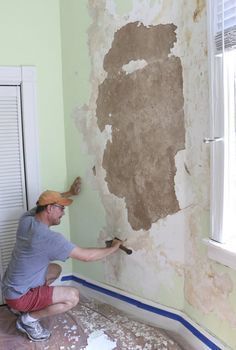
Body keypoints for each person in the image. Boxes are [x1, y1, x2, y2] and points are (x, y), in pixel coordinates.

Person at [1, 177, 123, 342]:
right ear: (50, 209)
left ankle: (24, 306)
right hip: (19, 296)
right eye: (61, 209)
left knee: (55, 269)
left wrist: (70, 193)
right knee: (72, 296)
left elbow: (41, 204)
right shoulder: (49, 238)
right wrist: (114, 248)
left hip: (10, 288)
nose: (63, 213)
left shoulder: (27, 220)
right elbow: (87, 257)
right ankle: (29, 320)